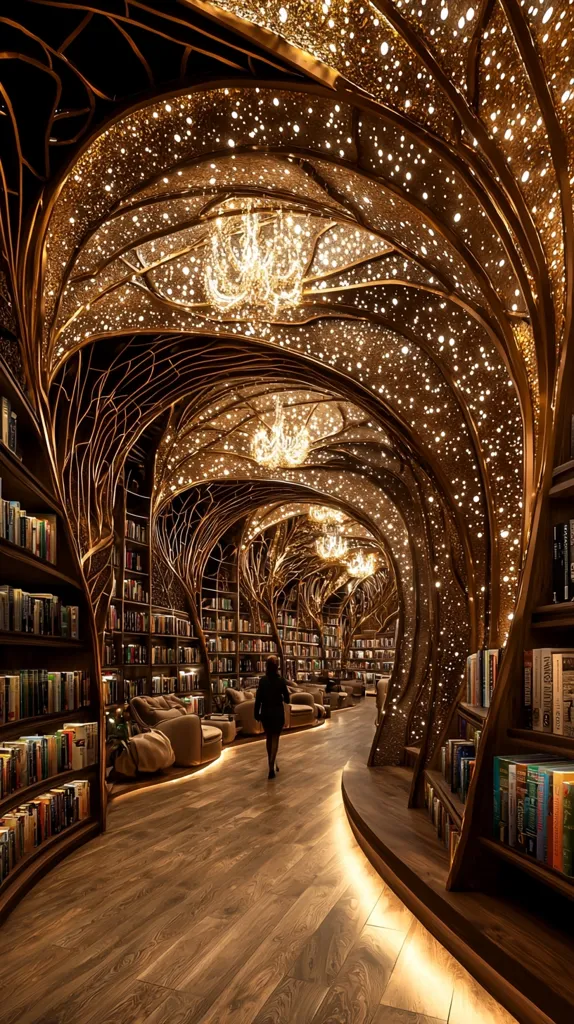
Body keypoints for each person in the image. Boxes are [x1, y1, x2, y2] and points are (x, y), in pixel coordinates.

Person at [254, 655, 290, 779]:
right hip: (277, 712)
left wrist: (256, 713)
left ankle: (271, 763)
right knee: (275, 738)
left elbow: (258, 698)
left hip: (266, 712)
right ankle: (271, 765)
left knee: (268, 738)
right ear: (276, 667)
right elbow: (287, 699)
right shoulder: (280, 680)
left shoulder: (263, 680)